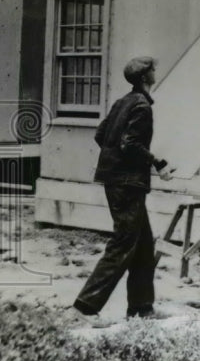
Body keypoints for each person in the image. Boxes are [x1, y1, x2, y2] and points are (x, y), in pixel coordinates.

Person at [72, 56, 175, 325]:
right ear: (144, 77)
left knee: (143, 244)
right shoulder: (141, 106)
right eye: (152, 69)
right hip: (127, 185)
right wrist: (158, 163)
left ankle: (141, 309)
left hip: (117, 182)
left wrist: (114, 163)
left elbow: (101, 135)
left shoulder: (122, 102)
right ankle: (84, 308)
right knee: (123, 243)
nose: (155, 71)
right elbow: (129, 144)